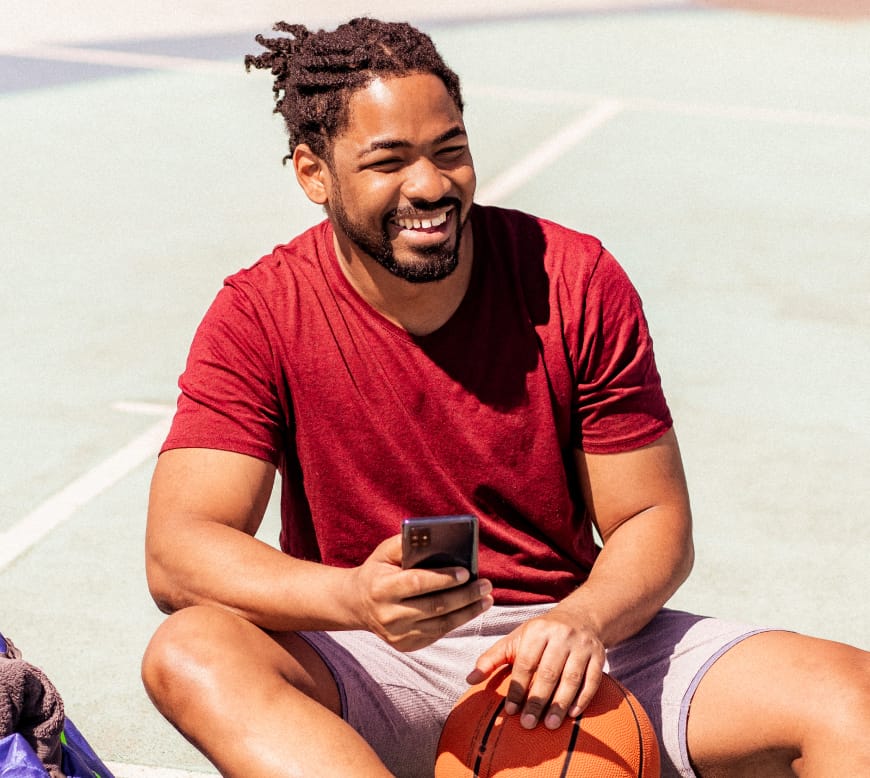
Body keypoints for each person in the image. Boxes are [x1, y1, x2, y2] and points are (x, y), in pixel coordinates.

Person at [141, 17, 869, 778]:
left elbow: (652, 518)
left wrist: (582, 620)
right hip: (371, 655)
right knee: (190, 652)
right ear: (313, 173)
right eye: (389, 161)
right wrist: (354, 596)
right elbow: (179, 551)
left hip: (578, 638)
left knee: (853, 700)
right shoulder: (261, 312)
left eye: (449, 151)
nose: (430, 186)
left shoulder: (573, 278)